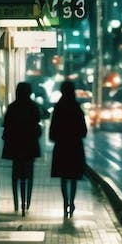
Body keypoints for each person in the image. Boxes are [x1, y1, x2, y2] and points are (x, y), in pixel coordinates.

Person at [1, 81, 42, 215]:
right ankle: (27, 201)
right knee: (29, 175)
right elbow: (37, 124)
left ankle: (16, 203)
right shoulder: (33, 107)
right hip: (30, 146)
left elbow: (6, 126)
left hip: (15, 147)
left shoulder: (12, 107)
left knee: (15, 175)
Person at [49, 78, 87, 217]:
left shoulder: (58, 108)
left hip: (61, 147)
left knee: (64, 177)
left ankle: (65, 203)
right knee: (74, 177)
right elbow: (84, 131)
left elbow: (52, 131)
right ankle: (72, 201)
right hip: (75, 147)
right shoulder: (77, 108)